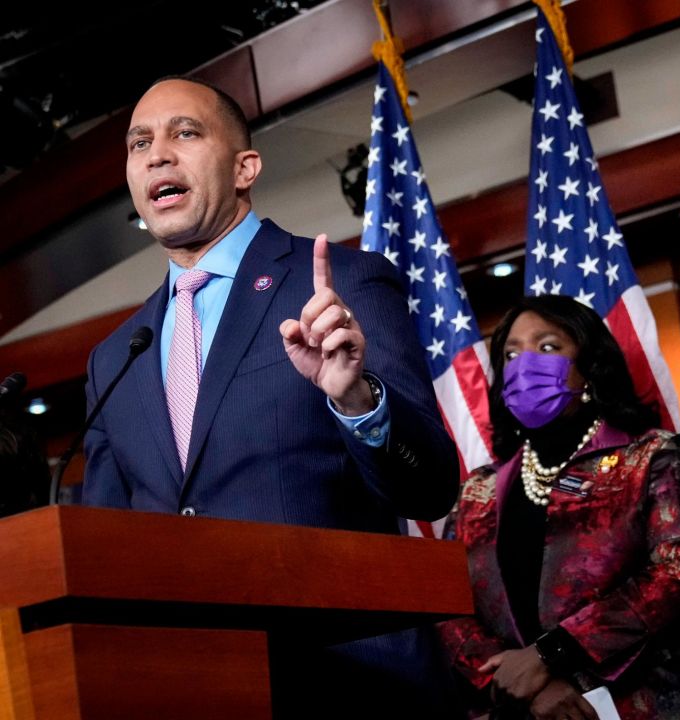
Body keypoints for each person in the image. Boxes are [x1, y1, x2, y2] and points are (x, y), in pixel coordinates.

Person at [81, 77, 460, 716]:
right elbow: (105, 550)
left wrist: (358, 399)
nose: (156, 155)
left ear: (245, 167)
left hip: (353, 686)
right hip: (195, 692)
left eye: (185, 132)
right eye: (139, 143)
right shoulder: (117, 356)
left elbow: (430, 488)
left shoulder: (343, 286)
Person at [438, 295, 680, 720]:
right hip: (522, 711)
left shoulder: (652, 458)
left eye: (549, 346)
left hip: (649, 703)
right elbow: (447, 605)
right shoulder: (475, 493)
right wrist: (528, 686)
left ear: (590, 365)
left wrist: (550, 656)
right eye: (511, 353)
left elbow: (677, 574)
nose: (524, 363)